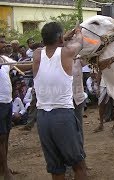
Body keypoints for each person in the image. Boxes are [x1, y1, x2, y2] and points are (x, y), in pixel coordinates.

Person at [32, 22, 87, 179]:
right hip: (62, 116)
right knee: (79, 165)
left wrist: (63, 36)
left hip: (42, 118)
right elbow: (79, 42)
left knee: (56, 168)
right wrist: (78, 32)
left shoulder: (37, 54)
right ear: (59, 38)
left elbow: (47, 47)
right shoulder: (67, 53)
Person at [0, 37, 32, 180]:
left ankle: (3, 167)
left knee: (6, 135)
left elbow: (20, 66)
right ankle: (5, 171)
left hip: (7, 102)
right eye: (2, 42)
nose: (5, 44)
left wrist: (37, 61)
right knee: (1, 137)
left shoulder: (4, 59)